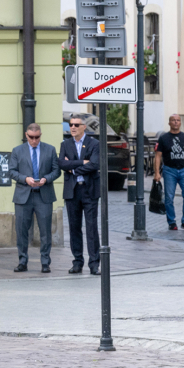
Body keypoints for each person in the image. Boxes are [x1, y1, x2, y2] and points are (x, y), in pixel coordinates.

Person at [9, 123, 59, 273]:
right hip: (24, 195)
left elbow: (56, 171)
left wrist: (46, 179)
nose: (34, 140)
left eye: (37, 137)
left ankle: (45, 262)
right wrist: (25, 179)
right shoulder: (17, 151)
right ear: (26, 135)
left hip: (44, 195)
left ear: (40, 135)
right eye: (31, 137)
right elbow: (11, 171)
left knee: (45, 231)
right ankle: (22, 261)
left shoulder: (49, 149)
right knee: (22, 230)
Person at [59, 115, 101, 275]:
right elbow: (62, 163)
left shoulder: (94, 143)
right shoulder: (65, 144)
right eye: (71, 125)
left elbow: (95, 164)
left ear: (84, 127)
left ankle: (94, 263)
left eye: (76, 124)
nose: (73, 127)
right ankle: (77, 262)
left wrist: (74, 169)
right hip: (72, 191)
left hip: (89, 190)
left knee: (91, 227)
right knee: (74, 227)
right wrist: (81, 163)